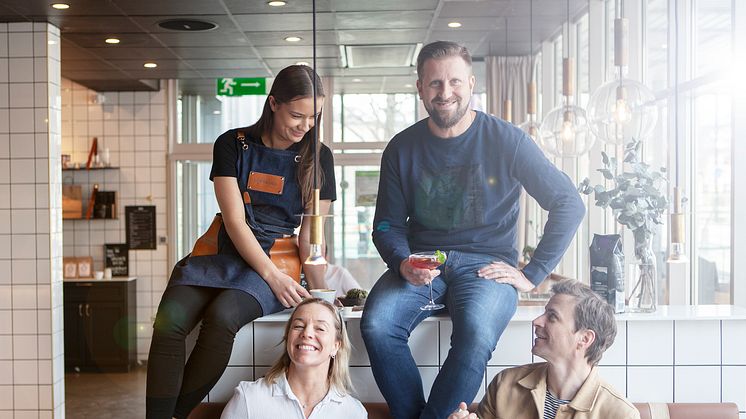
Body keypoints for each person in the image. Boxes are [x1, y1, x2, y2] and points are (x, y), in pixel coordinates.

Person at [360, 41, 585, 419]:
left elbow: (569, 203)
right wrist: (402, 263)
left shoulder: (507, 140)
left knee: (476, 335)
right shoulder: (402, 148)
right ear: (420, 88)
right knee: (378, 325)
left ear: (471, 83)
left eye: (454, 82)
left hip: (488, 266)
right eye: (434, 84)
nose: (445, 93)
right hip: (422, 262)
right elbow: (386, 225)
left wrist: (532, 274)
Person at [145, 65, 336, 419]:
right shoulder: (233, 144)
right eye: (297, 115)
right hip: (220, 249)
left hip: (279, 255)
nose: (305, 126)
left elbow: (312, 235)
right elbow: (234, 222)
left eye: (314, 117)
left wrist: (322, 296)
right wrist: (273, 278)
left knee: (222, 318)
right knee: (168, 324)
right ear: (273, 103)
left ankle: (176, 414)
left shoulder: (319, 156)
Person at [448, 280, 639, 419]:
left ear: (584, 338)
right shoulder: (505, 384)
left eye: (552, 317)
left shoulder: (621, 414)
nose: (537, 321)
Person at [221, 298, 367, 419]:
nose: (307, 333)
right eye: (298, 326)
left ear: (336, 346)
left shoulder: (354, 412)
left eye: (320, 328)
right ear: (288, 338)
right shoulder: (248, 398)